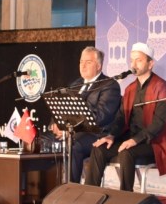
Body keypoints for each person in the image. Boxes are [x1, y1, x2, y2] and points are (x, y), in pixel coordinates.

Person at [82, 42, 166, 192]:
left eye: (139, 60)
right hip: (130, 139)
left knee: (126, 152)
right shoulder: (130, 89)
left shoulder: (162, 88)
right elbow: (121, 117)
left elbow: (158, 124)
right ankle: (90, 195)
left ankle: (125, 198)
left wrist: (135, 140)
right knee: (99, 149)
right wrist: (111, 136)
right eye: (132, 60)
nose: (133, 64)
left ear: (150, 64)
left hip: (153, 142)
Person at [51, 46, 122, 183]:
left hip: (96, 135)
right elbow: (60, 108)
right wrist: (57, 124)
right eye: (81, 62)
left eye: (88, 62)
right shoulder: (75, 84)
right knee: (44, 141)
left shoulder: (109, 85)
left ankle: (71, 188)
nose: (83, 66)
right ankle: (50, 187)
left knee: (73, 145)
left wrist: (70, 127)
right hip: (73, 132)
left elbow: (102, 116)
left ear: (99, 66)